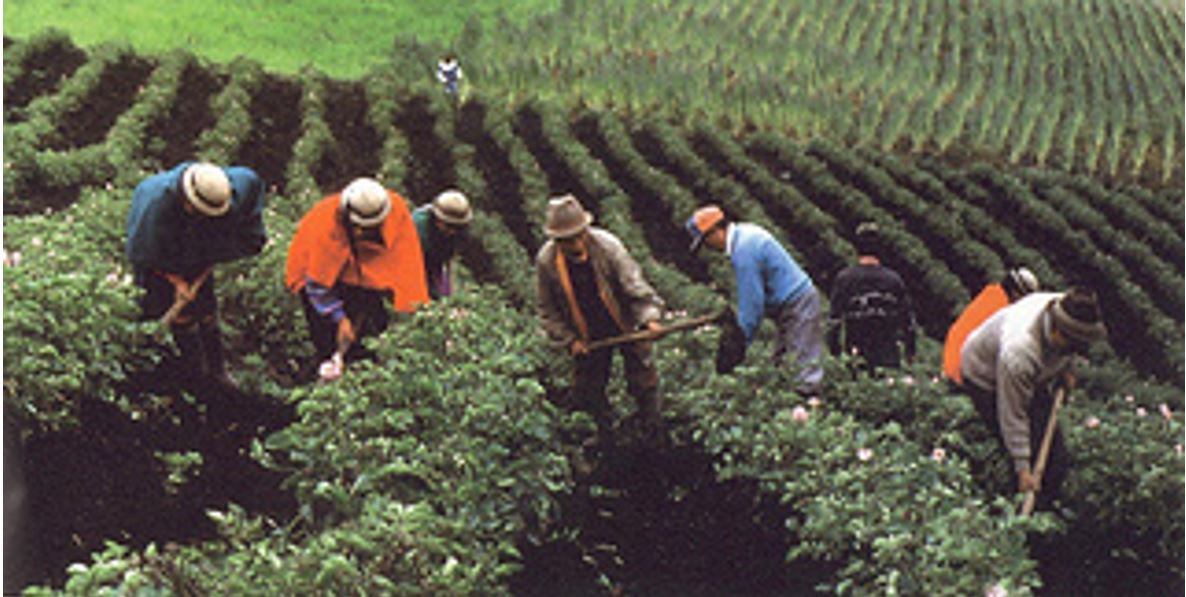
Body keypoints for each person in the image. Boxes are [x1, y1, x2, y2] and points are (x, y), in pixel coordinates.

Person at [957, 286, 1106, 507]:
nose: (1076, 349)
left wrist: (1066, 369)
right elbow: (1013, 413)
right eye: (1072, 344)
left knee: (1056, 459)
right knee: (1021, 453)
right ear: (1057, 330)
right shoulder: (1020, 351)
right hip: (984, 375)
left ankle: (1046, 509)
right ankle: (1012, 510)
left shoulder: (1065, 306)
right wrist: (1023, 468)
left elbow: (1070, 350)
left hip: (1031, 373)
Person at [125, 161, 267, 388]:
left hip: (199, 244)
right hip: (159, 256)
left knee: (206, 309)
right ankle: (191, 377)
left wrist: (215, 254)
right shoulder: (154, 206)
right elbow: (142, 255)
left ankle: (218, 371)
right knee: (178, 316)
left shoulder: (235, 187)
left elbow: (251, 234)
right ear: (186, 200)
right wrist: (177, 282)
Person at [536, 194, 666, 442]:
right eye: (565, 240)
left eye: (576, 237)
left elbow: (635, 287)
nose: (573, 244)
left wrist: (649, 319)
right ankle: (604, 436)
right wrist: (570, 340)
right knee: (589, 388)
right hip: (586, 333)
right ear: (555, 240)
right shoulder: (547, 261)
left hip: (624, 323)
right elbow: (547, 310)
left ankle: (653, 433)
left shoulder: (608, 247)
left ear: (585, 230)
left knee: (644, 380)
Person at [285, 177, 428, 373]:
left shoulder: (395, 210)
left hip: (361, 270)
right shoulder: (326, 227)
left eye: (369, 227)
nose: (361, 231)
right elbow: (318, 285)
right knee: (327, 334)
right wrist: (340, 319)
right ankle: (327, 369)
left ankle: (362, 371)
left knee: (372, 327)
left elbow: (403, 258)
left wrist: (402, 301)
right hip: (315, 273)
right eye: (358, 226)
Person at [686, 205, 823, 395]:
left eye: (706, 242)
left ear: (715, 232)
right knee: (782, 365)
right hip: (791, 305)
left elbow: (753, 302)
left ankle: (809, 412)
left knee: (803, 371)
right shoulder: (745, 233)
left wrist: (740, 341)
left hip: (798, 304)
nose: (708, 248)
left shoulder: (743, 251)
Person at [827, 222, 917, 372]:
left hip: (856, 357)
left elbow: (834, 321)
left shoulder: (845, 279)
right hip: (888, 359)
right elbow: (908, 322)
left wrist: (835, 351)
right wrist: (910, 350)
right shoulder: (893, 280)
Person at [943, 267, 1039, 383]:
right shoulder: (1000, 306)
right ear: (1015, 292)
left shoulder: (993, 293)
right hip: (961, 362)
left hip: (956, 352)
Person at [412, 190, 472, 299]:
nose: (452, 231)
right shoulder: (418, 227)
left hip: (437, 260)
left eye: (456, 227)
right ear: (436, 219)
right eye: (448, 226)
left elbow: (450, 260)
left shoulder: (459, 231)